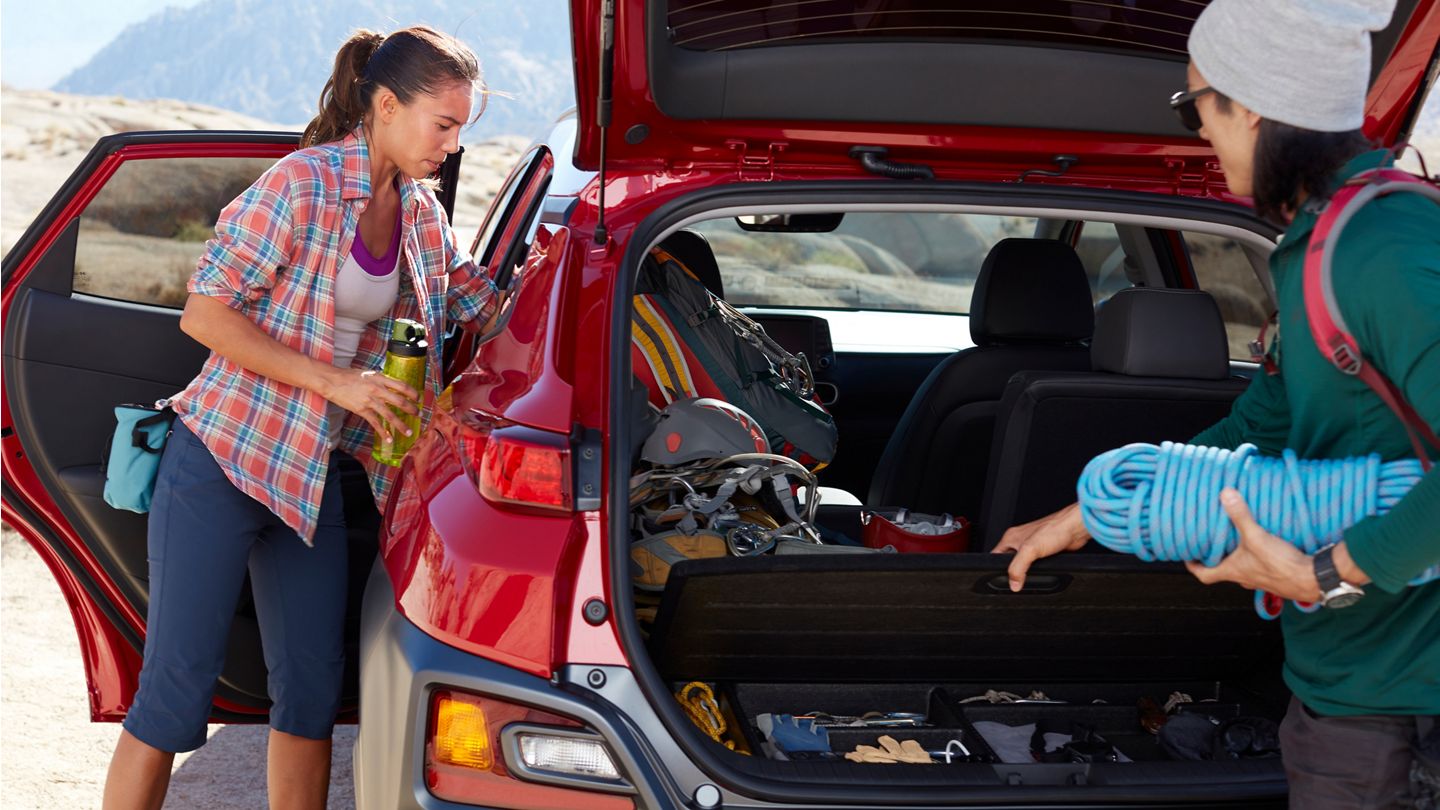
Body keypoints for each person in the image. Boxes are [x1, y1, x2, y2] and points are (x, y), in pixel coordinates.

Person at [995, 0, 1439, 806]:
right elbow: (1258, 426)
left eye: (1195, 102)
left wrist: (1322, 573)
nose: (1195, 129)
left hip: (1403, 708)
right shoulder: (1320, 246)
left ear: (1255, 105)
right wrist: (1091, 512)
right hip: (1350, 689)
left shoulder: (1382, 249)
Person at [101, 26, 502, 810]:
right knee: (174, 694)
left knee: (313, 699)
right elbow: (205, 314)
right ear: (387, 106)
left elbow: (477, 304)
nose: (452, 147)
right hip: (222, 461)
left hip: (309, 479)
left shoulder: (421, 213)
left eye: (462, 130)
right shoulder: (301, 185)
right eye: (443, 125)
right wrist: (340, 384)